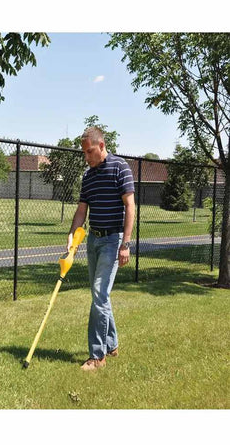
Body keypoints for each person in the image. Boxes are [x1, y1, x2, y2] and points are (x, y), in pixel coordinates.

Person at [67, 126, 135, 371]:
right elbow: (81, 211)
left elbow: (130, 207)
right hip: (93, 241)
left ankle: (97, 356)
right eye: (84, 153)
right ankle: (113, 344)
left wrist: (125, 244)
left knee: (98, 294)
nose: (87, 157)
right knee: (100, 296)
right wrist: (72, 237)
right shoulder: (89, 176)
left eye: (89, 152)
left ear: (102, 146)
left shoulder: (120, 168)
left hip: (112, 240)